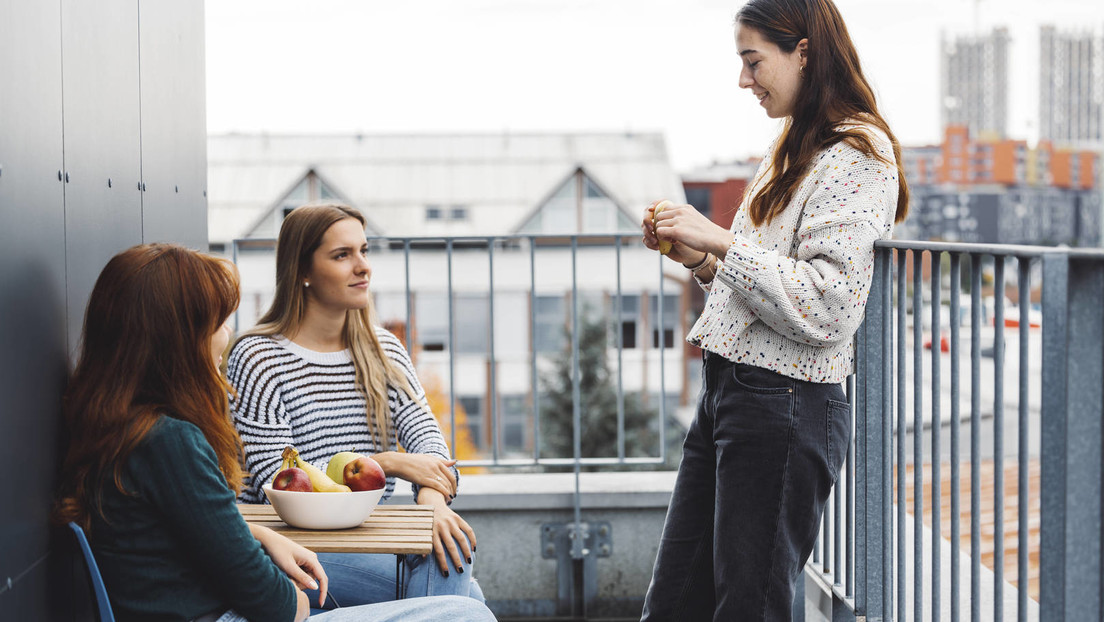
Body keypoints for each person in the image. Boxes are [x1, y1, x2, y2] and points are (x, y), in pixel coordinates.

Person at [53, 243, 496, 622]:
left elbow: (196, 525)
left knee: (459, 593)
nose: (226, 336)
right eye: (218, 322)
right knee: (464, 611)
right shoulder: (169, 440)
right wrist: (297, 599)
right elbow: (274, 603)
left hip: (223, 605)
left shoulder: (124, 428)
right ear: (179, 338)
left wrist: (263, 538)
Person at [639, 0, 909, 619]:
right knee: (675, 603)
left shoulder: (857, 154)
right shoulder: (795, 143)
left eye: (753, 61)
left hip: (784, 405)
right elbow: (765, 288)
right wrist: (701, 260)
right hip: (735, 393)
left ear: (804, 51)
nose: (744, 80)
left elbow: (829, 305)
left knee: (749, 606)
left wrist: (722, 242)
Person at [228, 204, 484, 609]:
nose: (363, 266)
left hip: (368, 539)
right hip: (289, 548)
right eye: (342, 255)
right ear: (302, 271)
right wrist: (389, 462)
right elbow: (282, 478)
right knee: (465, 597)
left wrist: (432, 505)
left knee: (449, 555)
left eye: (364, 251)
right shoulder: (258, 356)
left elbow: (430, 446)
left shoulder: (384, 351)